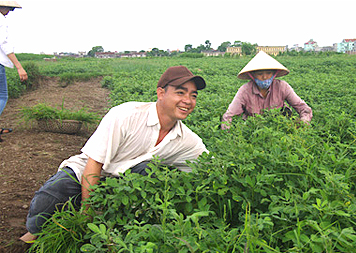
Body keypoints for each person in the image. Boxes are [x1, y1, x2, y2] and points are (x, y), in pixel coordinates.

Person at [19, 66, 208, 244]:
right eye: (180, 92)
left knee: (149, 170)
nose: (188, 101)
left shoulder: (186, 140)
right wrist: (87, 214)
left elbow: (211, 167)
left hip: (123, 187)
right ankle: (29, 239)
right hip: (87, 171)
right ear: (161, 93)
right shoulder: (126, 115)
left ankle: (125, 231)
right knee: (49, 201)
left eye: (193, 95)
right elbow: (94, 163)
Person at [221, 51, 312, 129]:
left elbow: (303, 108)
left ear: (274, 74)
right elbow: (229, 115)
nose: (265, 77)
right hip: (253, 130)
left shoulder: (282, 87)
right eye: (260, 74)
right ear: (252, 75)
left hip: (278, 127)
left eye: (268, 73)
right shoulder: (245, 91)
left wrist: (302, 125)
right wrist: (227, 134)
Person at [0, 1, 27, 142]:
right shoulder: (1, 20)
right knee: (2, 96)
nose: (9, 11)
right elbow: (3, 43)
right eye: (9, 8)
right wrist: (19, 66)